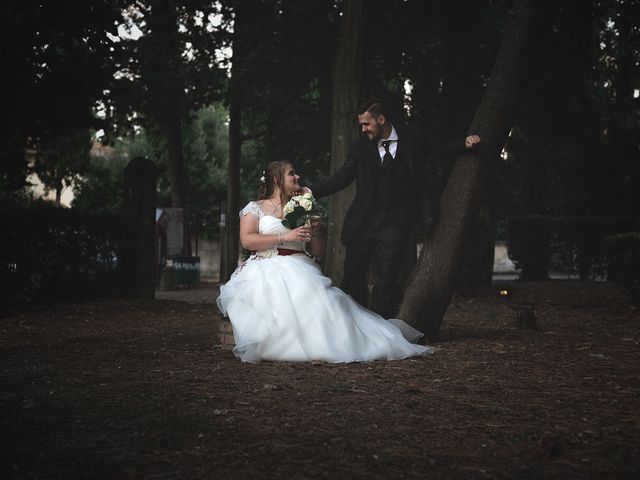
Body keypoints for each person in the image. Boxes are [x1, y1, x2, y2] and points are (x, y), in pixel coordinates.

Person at [216, 161, 432, 363]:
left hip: (300, 265)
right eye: (291, 173)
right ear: (276, 179)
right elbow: (247, 240)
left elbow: (318, 251)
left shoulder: (303, 206)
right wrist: (285, 237)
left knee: (326, 303)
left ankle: (345, 342)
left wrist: (317, 233)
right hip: (265, 267)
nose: (298, 176)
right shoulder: (255, 208)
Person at [309, 99, 482, 319]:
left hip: (396, 223)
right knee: (352, 276)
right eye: (361, 125)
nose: (363, 129)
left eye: (366, 124)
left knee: (387, 279)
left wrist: (463, 143)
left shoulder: (411, 135)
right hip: (363, 223)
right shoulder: (360, 147)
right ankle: (349, 326)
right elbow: (341, 179)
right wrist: (309, 190)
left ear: (381, 120)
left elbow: (438, 148)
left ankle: (382, 329)